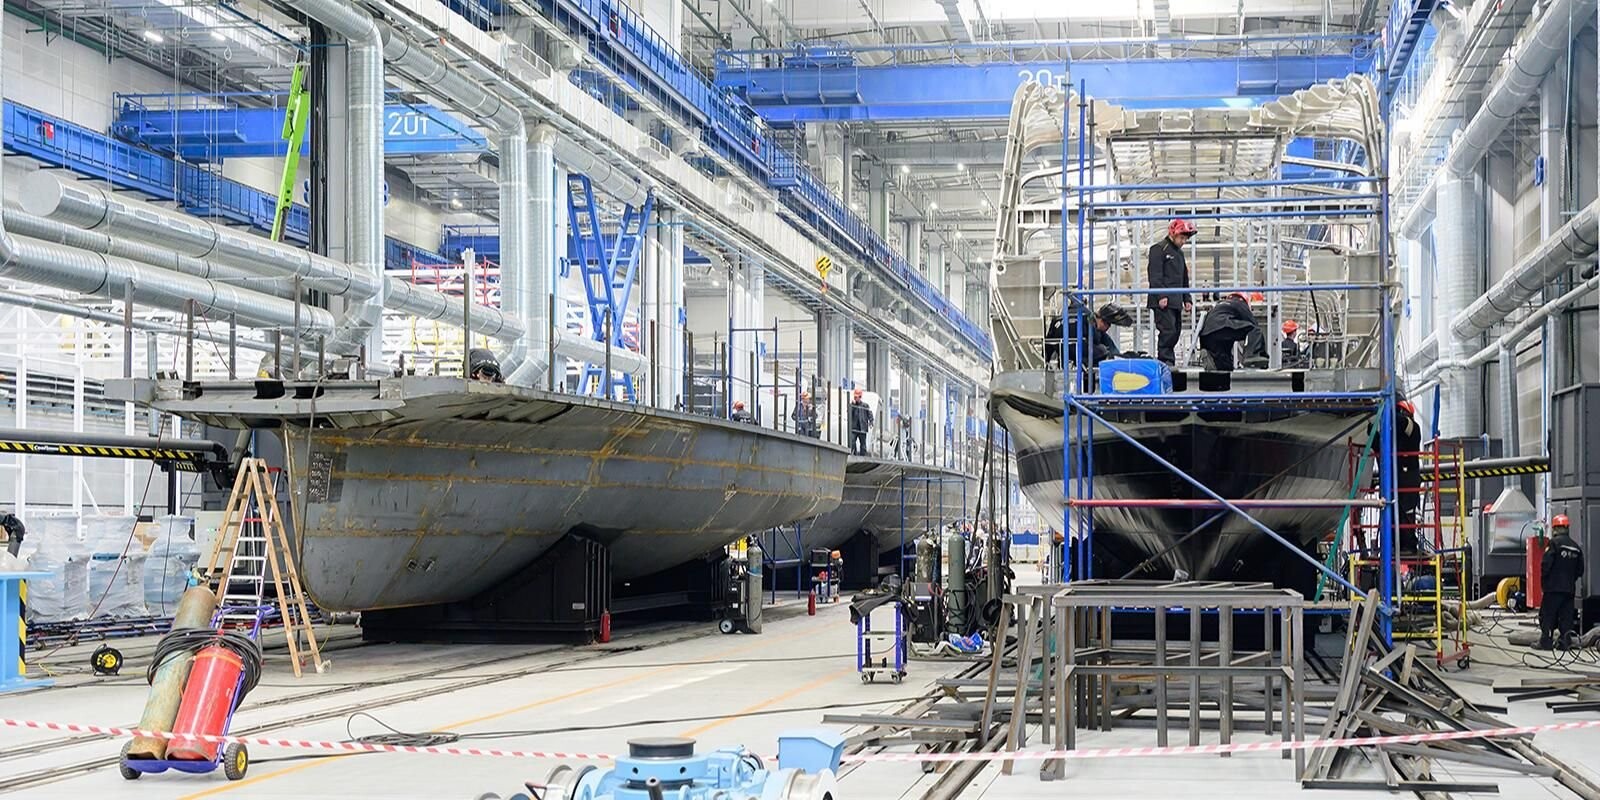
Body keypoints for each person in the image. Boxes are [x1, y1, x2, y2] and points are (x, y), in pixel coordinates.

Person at [1147, 219, 1195, 365]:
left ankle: (1168, 360)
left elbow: (1184, 278)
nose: (1183, 241)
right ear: (1173, 234)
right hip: (1163, 301)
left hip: (1176, 300)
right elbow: (1154, 275)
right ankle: (1165, 361)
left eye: (1185, 239)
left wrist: (1187, 298)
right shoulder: (1158, 249)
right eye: (1181, 238)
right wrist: (1161, 295)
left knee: (1176, 331)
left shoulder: (1179, 254)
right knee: (1167, 331)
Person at [1539, 514, 1584, 650]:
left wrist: (1545, 582)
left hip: (1553, 588)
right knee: (1566, 617)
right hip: (1569, 589)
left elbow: (1546, 565)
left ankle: (1546, 642)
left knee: (1548, 615)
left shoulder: (1553, 544)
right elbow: (1580, 570)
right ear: (1567, 528)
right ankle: (1565, 643)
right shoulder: (1576, 547)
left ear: (1555, 529)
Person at [1197, 293, 1266, 371]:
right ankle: (1252, 356)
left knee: (1225, 366)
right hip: (1223, 325)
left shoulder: (1218, 305)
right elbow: (1254, 324)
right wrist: (1263, 356)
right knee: (1254, 329)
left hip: (1206, 335)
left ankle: (1210, 357)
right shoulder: (1240, 303)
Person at [1063, 302, 1135, 368]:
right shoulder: (1088, 323)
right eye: (1108, 324)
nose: (1108, 327)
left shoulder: (1082, 319)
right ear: (1101, 320)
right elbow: (1100, 343)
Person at [1394, 399, 1423, 553]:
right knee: (1396, 510)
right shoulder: (1398, 433)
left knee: (1407, 511)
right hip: (1400, 476)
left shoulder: (1413, 427)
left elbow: (1401, 422)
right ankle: (1396, 544)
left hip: (1409, 476)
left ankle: (1408, 545)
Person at [848, 388, 872, 456]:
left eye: (857, 397)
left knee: (863, 445)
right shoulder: (852, 405)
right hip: (854, 428)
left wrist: (871, 421)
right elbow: (849, 414)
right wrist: (852, 406)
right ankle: (854, 454)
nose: (856, 398)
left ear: (860, 397)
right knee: (852, 442)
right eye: (855, 397)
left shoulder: (865, 405)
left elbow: (870, 414)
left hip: (862, 428)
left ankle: (862, 456)